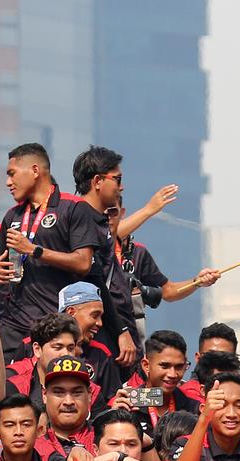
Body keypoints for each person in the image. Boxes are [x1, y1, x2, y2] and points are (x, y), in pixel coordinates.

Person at [0, 143, 103, 361]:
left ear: (35, 171)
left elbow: (84, 262)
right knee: (8, 392)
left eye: (12, 174)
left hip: (55, 328)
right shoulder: (12, 216)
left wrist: (35, 250)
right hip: (14, 328)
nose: (8, 183)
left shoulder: (73, 207)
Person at [108, 193, 222, 346]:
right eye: (102, 213)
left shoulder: (137, 252)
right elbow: (106, 238)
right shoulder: (89, 246)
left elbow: (168, 291)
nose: (107, 218)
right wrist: (149, 210)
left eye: (112, 212)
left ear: (122, 213)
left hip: (131, 339)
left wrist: (198, 282)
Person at [71, 145, 138, 367]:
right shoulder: (82, 221)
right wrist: (121, 330)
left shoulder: (101, 220)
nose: (122, 186)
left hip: (117, 327)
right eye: (117, 180)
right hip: (103, 331)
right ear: (98, 181)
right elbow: (97, 283)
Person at [5, 313, 103, 413]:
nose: (65, 354)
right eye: (58, 347)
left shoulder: (92, 392)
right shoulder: (16, 387)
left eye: (70, 348)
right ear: (37, 349)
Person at [125, 330, 200, 438]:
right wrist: (114, 417)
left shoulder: (194, 407)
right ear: (146, 365)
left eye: (179, 367)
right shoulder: (129, 403)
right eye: (165, 366)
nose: (173, 374)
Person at [58, 281, 122, 403]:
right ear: (71, 312)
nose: (100, 323)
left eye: (101, 317)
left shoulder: (101, 353)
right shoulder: (32, 346)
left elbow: (111, 402)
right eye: (95, 315)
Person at [87, 409, 171, 461]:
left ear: (141, 447)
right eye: (113, 444)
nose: (123, 451)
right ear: (96, 449)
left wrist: (118, 458)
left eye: (131, 444)